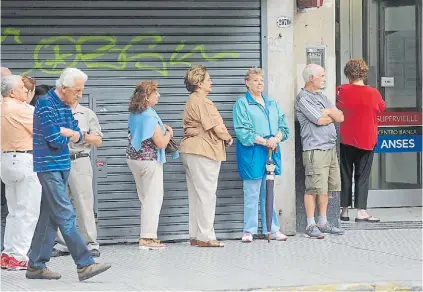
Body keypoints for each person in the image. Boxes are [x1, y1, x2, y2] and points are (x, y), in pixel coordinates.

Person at [27, 68, 111, 281]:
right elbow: (55, 139)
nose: (80, 95)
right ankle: (84, 263)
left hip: (62, 165)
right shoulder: (45, 104)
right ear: (63, 89)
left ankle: (36, 265)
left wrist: (71, 133)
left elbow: (76, 132)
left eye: (82, 91)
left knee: (49, 218)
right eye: (77, 91)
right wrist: (71, 134)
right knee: (65, 213)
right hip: (49, 167)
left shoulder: (64, 105)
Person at [233, 67, 290, 243]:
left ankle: (272, 228)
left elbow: (284, 127)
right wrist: (265, 141)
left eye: (261, 80)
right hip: (253, 151)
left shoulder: (272, 103)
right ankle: (248, 230)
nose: (259, 83)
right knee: (252, 191)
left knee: (270, 191)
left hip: (271, 151)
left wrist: (276, 138)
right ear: (247, 83)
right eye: (255, 80)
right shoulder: (242, 104)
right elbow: (243, 131)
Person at [180, 65, 233, 248]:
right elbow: (216, 127)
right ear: (199, 83)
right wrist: (227, 138)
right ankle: (206, 235)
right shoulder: (204, 102)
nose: (211, 82)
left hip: (189, 150)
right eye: (208, 79)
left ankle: (195, 234)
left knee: (195, 194)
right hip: (204, 150)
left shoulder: (190, 101)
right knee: (207, 194)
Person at [295, 64, 345, 239]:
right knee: (313, 187)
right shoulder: (303, 98)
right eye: (322, 76)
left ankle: (323, 222)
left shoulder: (323, 97)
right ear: (311, 78)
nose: (324, 79)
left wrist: (330, 111)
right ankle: (310, 224)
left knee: (326, 188)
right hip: (315, 149)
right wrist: (330, 114)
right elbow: (319, 119)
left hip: (330, 148)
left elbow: (341, 117)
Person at [126, 80, 178, 250]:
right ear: (147, 97)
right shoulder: (149, 115)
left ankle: (146, 235)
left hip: (134, 158)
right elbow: (161, 143)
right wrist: (169, 133)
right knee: (153, 199)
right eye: (156, 93)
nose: (159, 95)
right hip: (149, 161)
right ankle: (148, 238)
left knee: (145, 198)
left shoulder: (134, 113)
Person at [52, 90, 103, 257]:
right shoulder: (55, 113)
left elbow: (98, 140)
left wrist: (79, 135)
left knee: (84, 203)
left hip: (79, 160)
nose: (78, 94)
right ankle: (63, 244)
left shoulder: (87, 114)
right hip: (58, 161)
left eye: (79, 91)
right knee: (60, 204)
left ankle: (90, 243)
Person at [0, 75, 41, 270]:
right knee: (28, 211)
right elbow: (44, 130)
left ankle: (8, 254)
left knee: (14, 212)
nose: (26, 91)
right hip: (24, 160)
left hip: (6, 160)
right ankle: (19, 256)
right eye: (22, 88)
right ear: (12, 92)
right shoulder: (21, 109)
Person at [337, 59, 386, 222]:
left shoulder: (340, 91)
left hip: (345, 138)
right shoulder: (373, 93)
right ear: (364, 73)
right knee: (362, 175)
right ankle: (361, 211)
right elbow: (381, 108)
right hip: (367, 139)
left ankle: (343, 211)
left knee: (344, 173)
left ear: (347, 74)